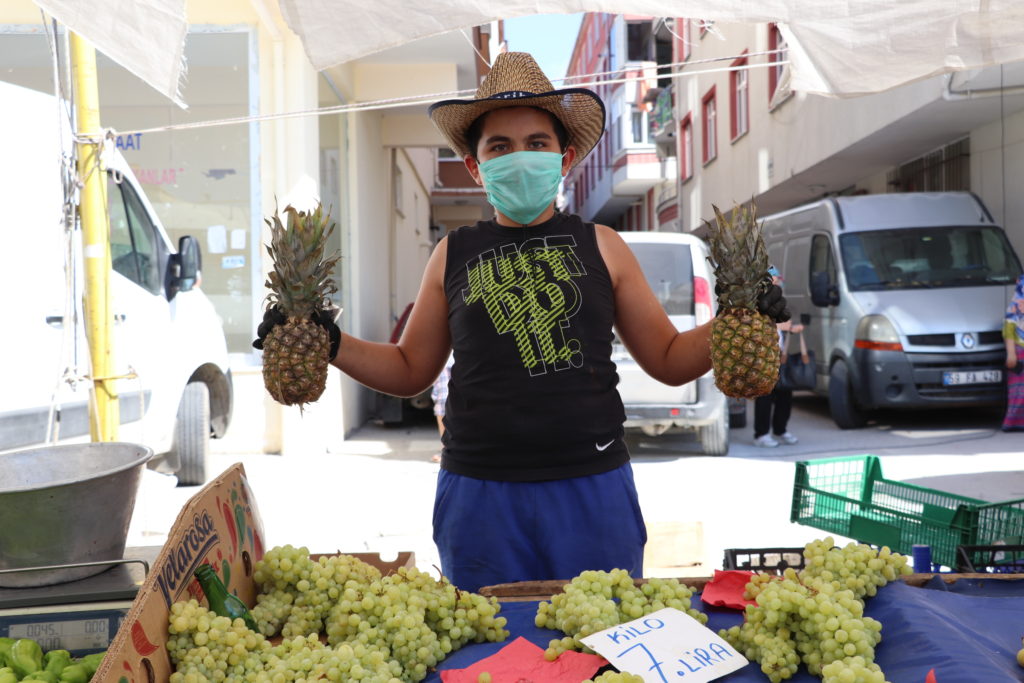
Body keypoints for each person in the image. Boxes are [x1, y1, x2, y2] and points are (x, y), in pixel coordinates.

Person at [255, 52, 789, 592]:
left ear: (566, 157)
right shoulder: (451, 252)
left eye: (537, 144)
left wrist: (740, 321)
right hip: (479, 492)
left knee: (597, 646)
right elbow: (410, 368)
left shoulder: (604, 245)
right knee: (487, 655)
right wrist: (329, 340)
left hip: (593, 485)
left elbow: (670, 359)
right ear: (475, 165)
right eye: (500, 147)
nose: (521, 158)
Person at [753, 266, 804, 447]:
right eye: (775, 279)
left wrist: (789, 326)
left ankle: (781, 430)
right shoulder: (756, 301)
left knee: (784, 394)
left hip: (779, 355)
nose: (778, 282)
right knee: (765, 396)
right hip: (763, 356)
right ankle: (761, 434)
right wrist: (784, 326)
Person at [1002, 274, 1024, 432]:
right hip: (1020, 348)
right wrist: (1011, 353)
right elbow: (1009, 325)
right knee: (1019, 391)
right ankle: (1014, 423)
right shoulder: (1017, 302)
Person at [429, 353, 454, 462]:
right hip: (443, 361)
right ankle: (446, 448)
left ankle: (451, 449)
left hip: (463, 359)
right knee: (443, 402)